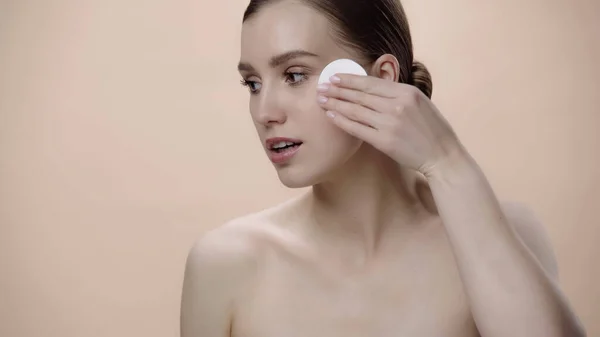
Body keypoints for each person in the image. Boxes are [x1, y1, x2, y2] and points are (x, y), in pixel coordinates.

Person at [180, 0, 586, 336]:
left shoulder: (501, 233)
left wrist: (448, 163)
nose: (264, 111)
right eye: (252, 83)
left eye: (295, 74)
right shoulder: (227, 263)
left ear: (382, 77)